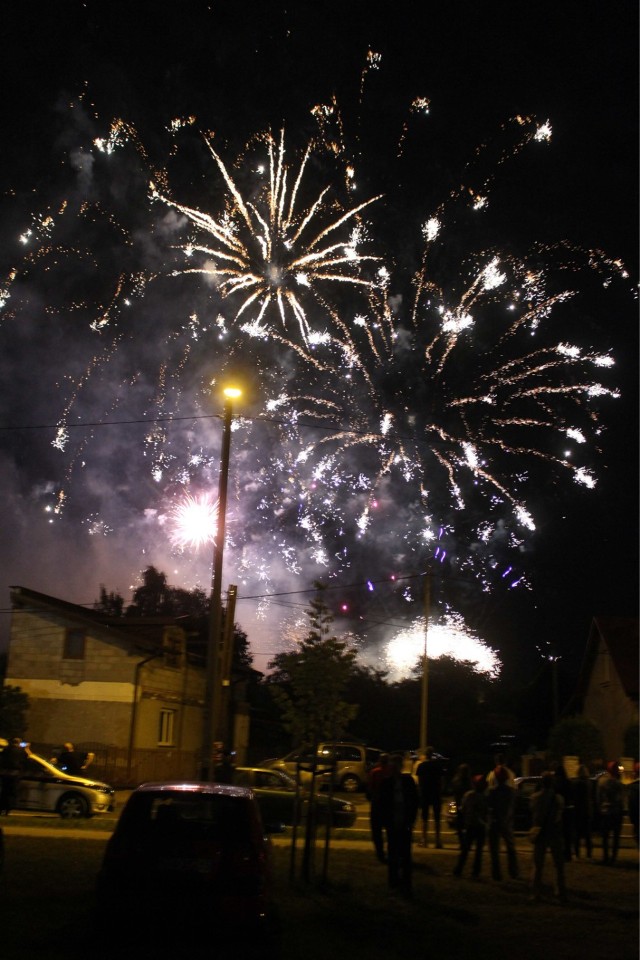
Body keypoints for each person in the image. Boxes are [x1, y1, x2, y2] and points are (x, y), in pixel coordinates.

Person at [379, 752, 419, 898]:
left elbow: (414, 802)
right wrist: (386, 822)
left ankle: (405, 883)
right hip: (393, 822)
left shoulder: (407, 781)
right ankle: (394, 882)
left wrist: (411, 820)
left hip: (404, 822)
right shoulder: (387, 783)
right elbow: (382, 804)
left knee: (405, 854)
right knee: (393, 853)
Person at [528, 771, 567, 904]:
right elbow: (559, 816)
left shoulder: (534, 798)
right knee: (558, 865)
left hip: (540, 832)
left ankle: (535, 892)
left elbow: (533, 813)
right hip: (554, 832)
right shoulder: (558, 799)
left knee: (538, 865)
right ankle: (560, 891)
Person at [487, 764, 519, 881]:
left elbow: (489, 807)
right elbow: (513, 806)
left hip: (495, 821)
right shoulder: (511, 791)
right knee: (511, 847)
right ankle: (513, 871)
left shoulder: (492, 792)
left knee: (494, 849)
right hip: (507, 821)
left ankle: (496, 873)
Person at [453, 775, 489, 879]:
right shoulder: (484, 797)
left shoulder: (469, 795)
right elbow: (486, 811)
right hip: (480, 826)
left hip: (471, 825)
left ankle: (458, 869)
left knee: (465, 849)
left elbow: (463, 809)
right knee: (478, 851)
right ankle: (475, 872)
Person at [415, 746, 445, 848]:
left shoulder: (421, 766)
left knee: (424, 817)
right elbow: (441, 781)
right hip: (435, 793)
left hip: (425, 793)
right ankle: (437, 841)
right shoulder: (438, 765)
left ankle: (424, 840)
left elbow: (419, 782)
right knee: (437, 818)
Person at [596, 761, 624, 865]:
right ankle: (613, 857)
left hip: (605, 811)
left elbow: (598, 797)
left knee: (605, 836)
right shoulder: (618, 783)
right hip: (616, 811)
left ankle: (605, 857)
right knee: (616, 837)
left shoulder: (601, 781)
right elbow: (621, 798)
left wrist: (600, 808)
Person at [366, 752, 390, 862]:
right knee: (390, 830)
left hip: (377, 803)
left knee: (377, 831)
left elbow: (370, 788)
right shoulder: (390, 772)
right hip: (388, 804)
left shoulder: (375, 772)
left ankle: (380, 853)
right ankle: (391, 851)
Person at [551, 761, 575, 861]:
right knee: (567, 834)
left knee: (558, 834)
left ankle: (559, 853)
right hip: (568, 809)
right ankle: (568, 854)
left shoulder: (555, 783)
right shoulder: (568, 782)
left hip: (558, 809)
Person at [0, 738, 30, 815]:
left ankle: (1, 808)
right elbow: (28, 757)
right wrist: (26, 748)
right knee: (12, 792)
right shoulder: (21, 751)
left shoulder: (6, 749)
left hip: (5, 773)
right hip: (15, 774)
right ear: (19, 743)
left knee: (4, 791)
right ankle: (8, 810)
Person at [572, 762, 593, 859]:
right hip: (587, 810)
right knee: (588, 834)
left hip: (577, 810)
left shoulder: (576, 783)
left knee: (577, 833)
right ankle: (589, 853)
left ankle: (577, 853)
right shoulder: (588, 783)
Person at [450, 763, 474, 850]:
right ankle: (466, 843)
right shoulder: (468, 781)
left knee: (460, 826)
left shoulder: (457, 781)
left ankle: (463, 843)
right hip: (466, 806)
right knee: (466, 826)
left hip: (460, 804)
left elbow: (454, 792)